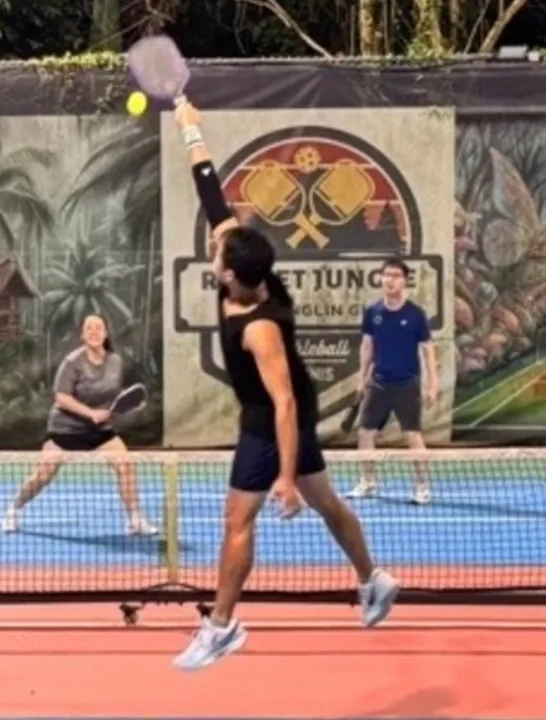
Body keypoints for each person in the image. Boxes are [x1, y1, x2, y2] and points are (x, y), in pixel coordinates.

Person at [170, 99, 399, 671]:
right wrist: (191, 129)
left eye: (218, 252)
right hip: (286, 407)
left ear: (227, 273)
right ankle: (373, 578)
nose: (215, 245)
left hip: (271, 420)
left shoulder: (260, 328)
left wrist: (285, 477)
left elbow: (286, 403)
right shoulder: (249, 272)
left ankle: (222, 626)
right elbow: (212, 195)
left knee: (237, 521)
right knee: (329, 502)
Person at [0, 314, 158, 536]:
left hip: (99, 431)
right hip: (65, 429)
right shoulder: (72, 362)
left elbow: (111, 393)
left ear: (105, 333)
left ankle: (135, 519)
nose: (94, 332)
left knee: (125, 465)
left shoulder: (115, 361)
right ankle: (14, 509)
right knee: (44, 475)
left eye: (98, 327)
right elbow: (60, 398)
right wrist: (91, 413)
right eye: (89, 328)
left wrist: (112, 409)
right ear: (83, 335)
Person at [347, 258, 439, 504]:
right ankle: (368, 482)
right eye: (386, 275)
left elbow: (428, 350)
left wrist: (433, 384)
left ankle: (422, 487)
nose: (390, 280)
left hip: (407, 384)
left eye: (395, 275)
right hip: (378, 383)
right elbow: (367, 346)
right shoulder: (372, 311)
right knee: (365, 433)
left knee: (413, 436)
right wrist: (361, 379)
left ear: (404, 280)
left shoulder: (416, 314)